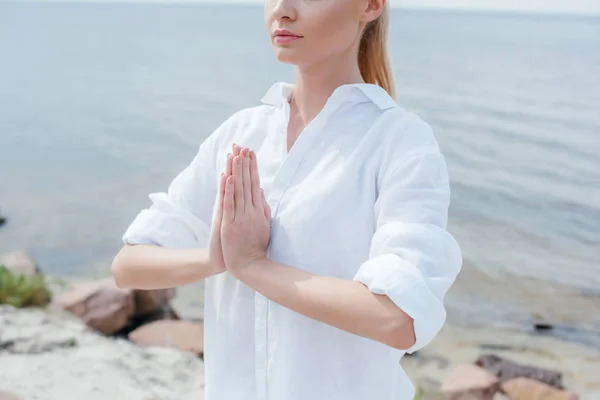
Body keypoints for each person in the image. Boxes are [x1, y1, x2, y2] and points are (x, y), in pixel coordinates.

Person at [111, 0, 462, 399]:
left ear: (370, 6)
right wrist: (215, 258)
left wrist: (253, 266)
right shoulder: (241, 133)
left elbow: (399, 318)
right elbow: (128, 266)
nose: (282, 10)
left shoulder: (399, 141)